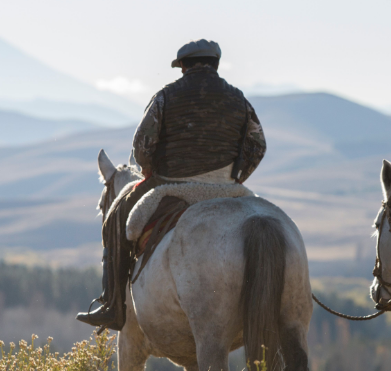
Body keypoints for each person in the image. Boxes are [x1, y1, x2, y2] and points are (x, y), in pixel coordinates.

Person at [77, 39, 266, 330]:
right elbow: (257, 144)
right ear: (215, 64)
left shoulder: (165, 97)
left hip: (172, 185)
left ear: (184, 67)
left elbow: (142, 145)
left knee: (115, 217)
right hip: (226, 187)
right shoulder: (239, 100)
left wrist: (150, 170)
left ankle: (112, 306)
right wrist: (237, 177)